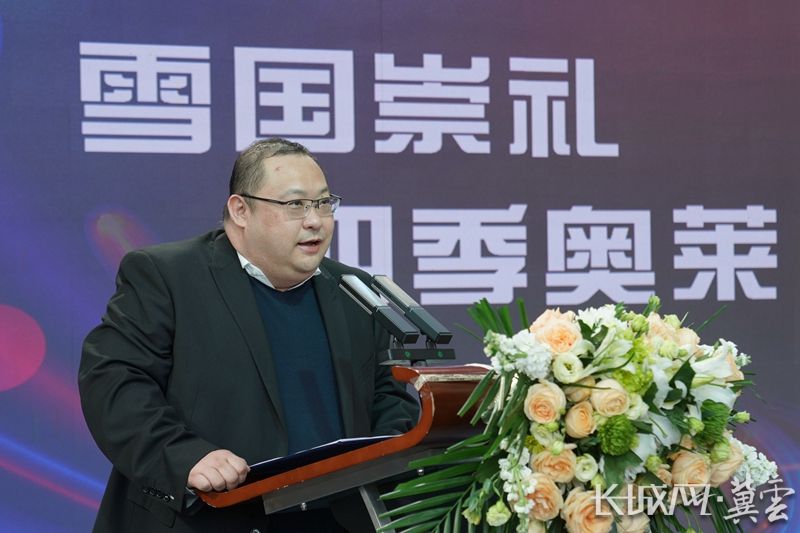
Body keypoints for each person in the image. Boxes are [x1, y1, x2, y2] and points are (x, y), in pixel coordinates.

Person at [79, 138, 420, 533]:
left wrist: (387, 452)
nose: (315, 220)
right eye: (296, 204)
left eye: (324, 203)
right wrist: (185, 456)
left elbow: (387, 394)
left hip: (336, 520)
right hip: (210, 519)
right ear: (240, 210)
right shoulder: (168, 277)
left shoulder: (352, 289)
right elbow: (113, 382)